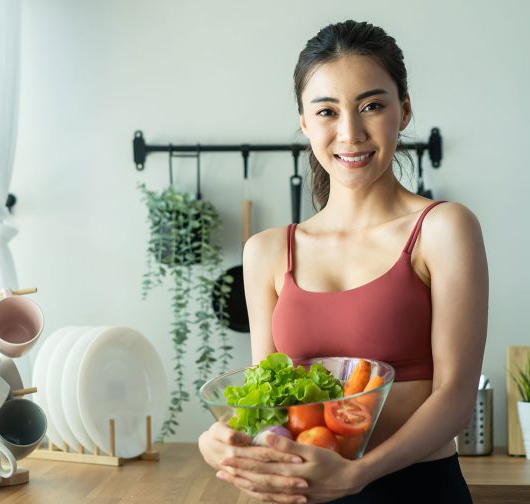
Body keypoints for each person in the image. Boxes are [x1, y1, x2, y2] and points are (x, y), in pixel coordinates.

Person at [198, 20, 488, 503]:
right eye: (327, 111)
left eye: (372, 106)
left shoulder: (442, 229)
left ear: (405, 110)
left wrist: (358, 475)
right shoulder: (266, 251)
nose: (350, 133)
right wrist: (226, 440)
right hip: (300, 492)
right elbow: (274, 405)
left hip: (417, 492)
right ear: (305, 123)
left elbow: (456, 398)